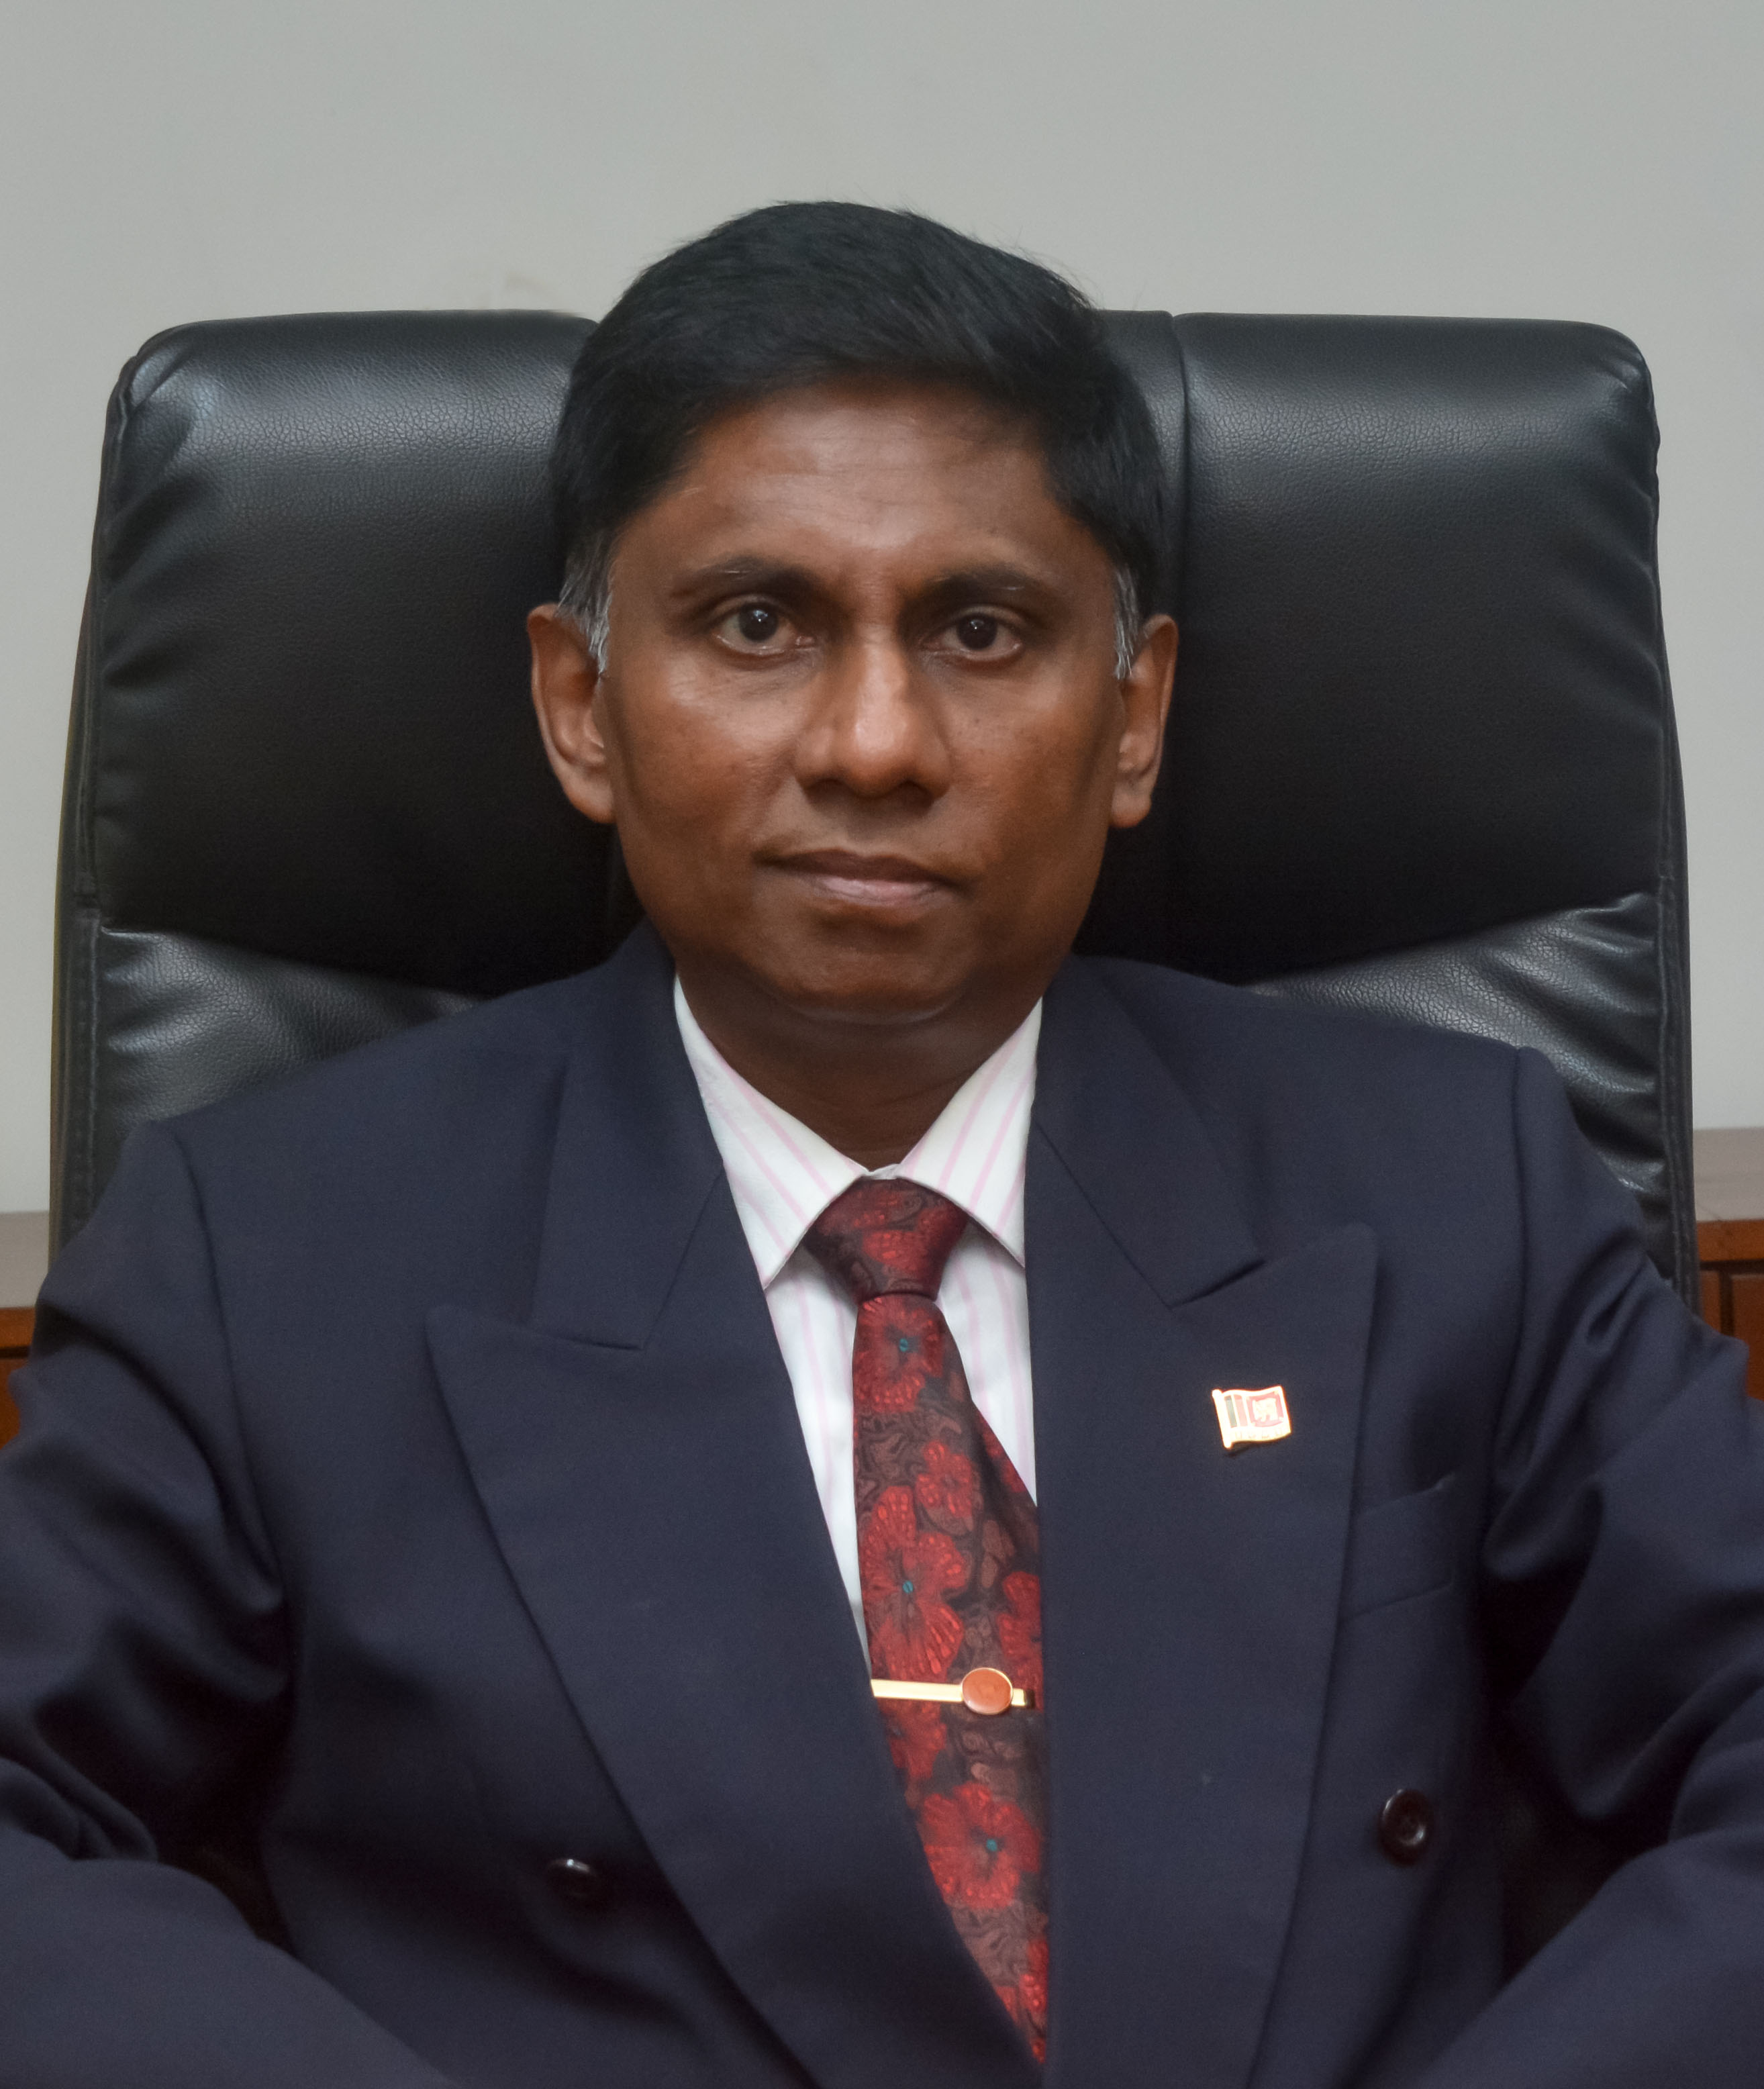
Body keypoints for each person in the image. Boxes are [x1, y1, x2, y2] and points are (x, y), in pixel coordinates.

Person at [1, 203, 1762, 2089]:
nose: (872, 743)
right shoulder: (267, 1257)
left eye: (980, 631)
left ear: (1134, 716)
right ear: (581, 705)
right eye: (756, 624)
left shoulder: (1447, 1185)